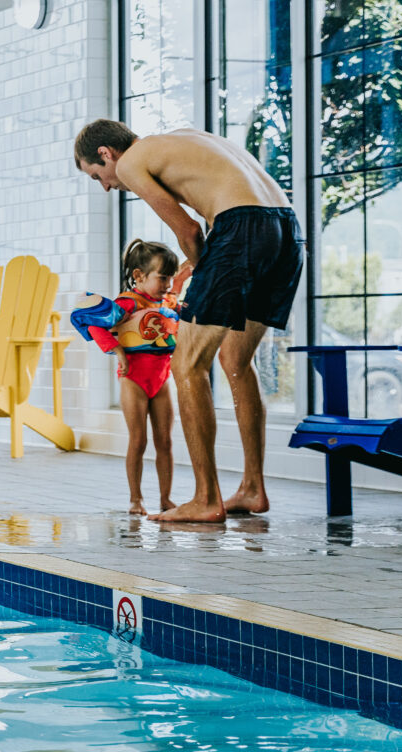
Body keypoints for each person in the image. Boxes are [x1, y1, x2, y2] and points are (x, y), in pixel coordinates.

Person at [73, 119, 304, 523]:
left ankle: (206, 498)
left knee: (186, 364)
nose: (107, 186)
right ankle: (252, 489)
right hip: (286, 229)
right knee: (235, 361)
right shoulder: (187, 138)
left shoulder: (130, 163)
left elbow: (189, 229)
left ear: (107, 154)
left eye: (98, 175)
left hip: (241, 225)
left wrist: (201, 271)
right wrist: (206, 273)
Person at [73, 239, 182, 516]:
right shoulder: (127, 303)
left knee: (165, 441)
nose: (168, 283)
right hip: (133, 377)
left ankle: (166, 499)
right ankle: (136, 499)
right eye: (163, 277)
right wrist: (117, 350)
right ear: (139, 276)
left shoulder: (167, 302)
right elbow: (93, 323)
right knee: (138, 440)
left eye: (170, 277)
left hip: (161, 378)